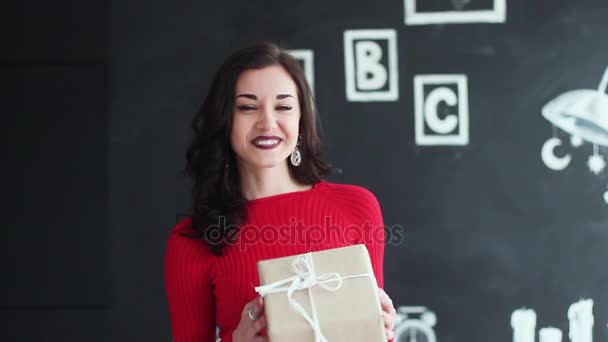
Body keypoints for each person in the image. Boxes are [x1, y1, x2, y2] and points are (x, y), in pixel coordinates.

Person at [164, 42, 396, 342]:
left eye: (283, 107)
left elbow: (370, 331)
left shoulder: (356, 207)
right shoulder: (190, 241)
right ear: (224, 121)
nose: (267, 122)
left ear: (301, 120)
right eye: (248, 107)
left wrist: (386, 327)